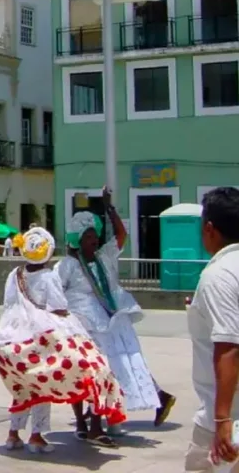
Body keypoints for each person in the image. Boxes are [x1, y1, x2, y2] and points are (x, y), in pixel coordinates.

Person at [0, 226, 126, 453]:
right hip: (38, 338)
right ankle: (36, 436)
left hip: (10, 337)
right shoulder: (49, 276)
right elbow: (58, 305)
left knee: (22, 386)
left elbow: (8, 303)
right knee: (41, 386)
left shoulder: (16, 274)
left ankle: (13, 435)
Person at [56, 186, 175, 440]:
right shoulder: (68, 265)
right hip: (84, 327)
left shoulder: (105, 256)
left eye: (94, 236)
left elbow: (122, 234)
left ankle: (119, 416)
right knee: (96, 370)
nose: (94, 240)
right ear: (77, 240)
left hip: (112, 321)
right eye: (88, 237)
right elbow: (55, 293)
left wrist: (109, 208)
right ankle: (98, 419)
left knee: (124, 364)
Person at [184, 187, 239, 471]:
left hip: (226, 421)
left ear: (209, 229)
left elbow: (228, 347)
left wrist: (222, 420)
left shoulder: (219, 274)